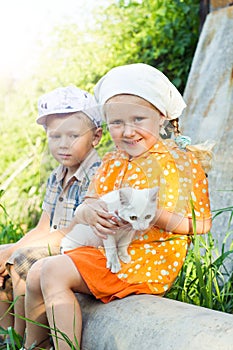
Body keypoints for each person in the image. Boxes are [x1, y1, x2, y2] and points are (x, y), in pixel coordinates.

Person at [23, 64, 212, 350]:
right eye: (116, 123)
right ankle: (32, 346)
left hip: (146, 260)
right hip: (107, 249)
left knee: (53, 272)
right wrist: (90, 213)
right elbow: (86, 205)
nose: (128, 131)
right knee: (37, 271)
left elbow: (201, 225)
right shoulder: (114, 160)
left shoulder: (177, 162)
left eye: (138, 119)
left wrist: (156, 217)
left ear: (161, 117)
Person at [0, 86, 102, 339]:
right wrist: (6, 252)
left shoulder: (98, 174)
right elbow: (44, 227)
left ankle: (26, 338)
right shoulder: (57, 176)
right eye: (55, 137)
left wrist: (14, 253)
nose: (63, 145)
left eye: (73, 136)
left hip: (80, 247)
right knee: (1, 255)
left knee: (21, 259)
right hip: (56, 242)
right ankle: (6, 334)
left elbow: (74, 232)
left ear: (96, 136)